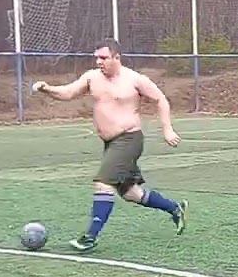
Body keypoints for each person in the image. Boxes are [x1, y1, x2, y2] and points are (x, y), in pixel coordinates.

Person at [31, 37, 188, 253]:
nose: (99, 62)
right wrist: (46, 88)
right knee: (131, 192)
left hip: (129, 139)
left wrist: (167, 129)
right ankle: (175, 208)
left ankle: (90, 237)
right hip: (110, 143)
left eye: (104, 57)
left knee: (103, 183)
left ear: (116, 57)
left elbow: (161, 99)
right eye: (97, 57)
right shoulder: (91, 77)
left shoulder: (134, 79)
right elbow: (68, 93)